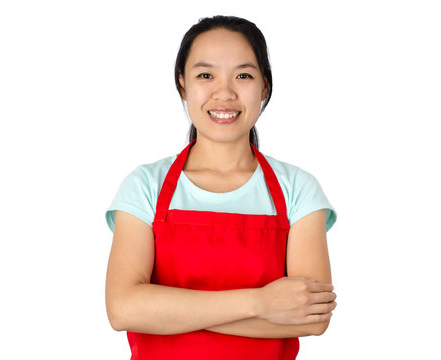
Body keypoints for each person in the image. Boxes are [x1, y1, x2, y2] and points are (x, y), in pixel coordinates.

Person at [104, 15, 338, 360]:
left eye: (243, 75)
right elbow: (123, 308)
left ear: (265, 87)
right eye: (205, 75)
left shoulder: (298, 190)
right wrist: (260, 303)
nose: (225, 93)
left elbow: (312, 317)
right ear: (182, 85)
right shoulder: (144, 186)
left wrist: (168, 311)